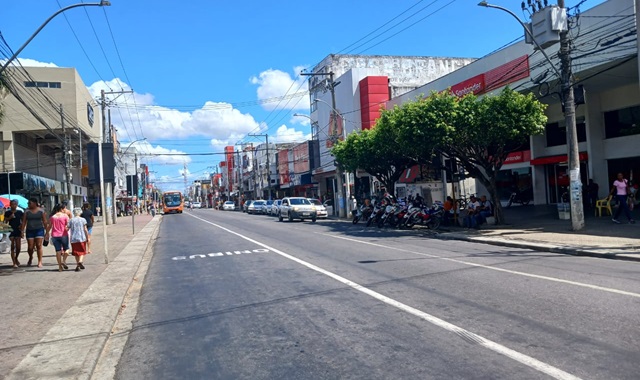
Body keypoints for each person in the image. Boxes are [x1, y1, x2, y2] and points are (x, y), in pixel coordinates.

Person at [21, 198, 49, 268]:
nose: (28, 204)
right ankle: (30, 257)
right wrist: (22, 231)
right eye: (28, 203)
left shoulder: (41, 211)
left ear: (35, 203)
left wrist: (47, 232)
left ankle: (40, 261)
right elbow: (24, 222)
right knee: (30, 247)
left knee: (39, 245)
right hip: (30, 230)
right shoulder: (27, 211)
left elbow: (45, 221)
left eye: (30, 203)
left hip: (39, 229)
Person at [49, 204, 70, 271]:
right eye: (64, 209)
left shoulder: (53, 217)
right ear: (61, 209)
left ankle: (60, 267)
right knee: (66, 249)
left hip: (55, 235)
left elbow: (49, 226)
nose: (64, 210)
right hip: (63, 235)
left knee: (58, 251)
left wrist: (46, 233)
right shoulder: (65, 216)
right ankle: (63, 261)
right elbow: (68, 225)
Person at [5, 200, 24, 268]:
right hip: (10, 230)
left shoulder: (19, 212)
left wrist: (22, 227)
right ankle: (14, 262)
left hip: (18, 230)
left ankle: (16, 258)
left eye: (15, 204)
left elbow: (23, 220)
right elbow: (5, 221)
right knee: (12, 247)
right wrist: (10, 217)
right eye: (12, 204)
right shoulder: (7, 212)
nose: (13, 206)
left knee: (18, 247)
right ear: (10, 205)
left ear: (17, 205)